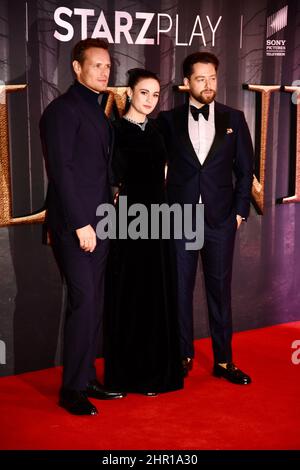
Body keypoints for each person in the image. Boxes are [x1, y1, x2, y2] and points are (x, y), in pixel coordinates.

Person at [40, 38, 125, 416]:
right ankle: (71, 390)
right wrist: (80, 224)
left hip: (103, 223)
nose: (104, 72)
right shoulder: (62, 111)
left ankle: (87, 376)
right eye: (96, 66)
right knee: (84, 300)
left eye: (108, 67)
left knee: (94, 304)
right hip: (77, 226)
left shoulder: (100, 112)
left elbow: (100, 171)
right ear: (77, 68)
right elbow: (62, 172)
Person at [157, 52, 254, 384]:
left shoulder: (235, 119)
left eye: (212, 77)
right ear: (186, 83)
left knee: (220, 291)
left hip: (220, 221)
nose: (208, 84)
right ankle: (182, 355)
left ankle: (224, 361)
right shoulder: (168, 121)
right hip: (180, 218)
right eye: (200, 78)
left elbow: (245, 171)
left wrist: (239, 212)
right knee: (180, 290)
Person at [104, 69, 184, 395]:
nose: (150, 100)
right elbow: (109, 178)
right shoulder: (115, 131)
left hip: (159, 221)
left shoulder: (157, 131)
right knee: (130, 296)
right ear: (129, 93)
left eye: (154, 94)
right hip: (129, 222)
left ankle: (155, 374)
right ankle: (127, 375)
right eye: (143, 93)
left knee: (155, 296)